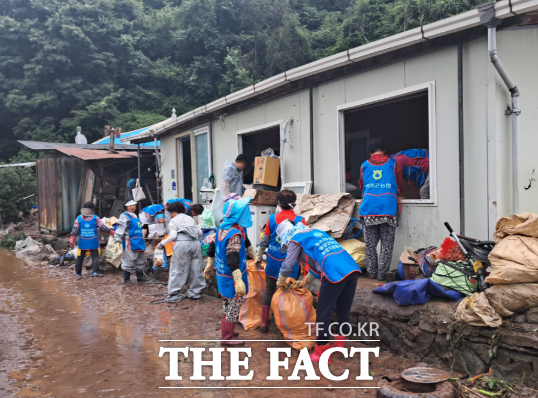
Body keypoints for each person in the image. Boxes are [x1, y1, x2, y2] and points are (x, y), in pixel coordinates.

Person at [276, 221, 361, 363]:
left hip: (334, 272)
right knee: (343, 310)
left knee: (323, 312)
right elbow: (318, 262)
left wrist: (280, 281)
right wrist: (304, 281)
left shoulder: (295, 239)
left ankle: (321, 353)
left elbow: (288, 264)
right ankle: (339, 347)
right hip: (351, 268)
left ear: (286, 237)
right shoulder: (314, 233)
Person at [255, 190, 307, 333]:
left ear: (278, 203)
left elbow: (264, 241)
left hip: (272, 262)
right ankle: (285, 325)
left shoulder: (272, 218)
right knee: (288, 293)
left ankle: (264, 323)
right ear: (294, 204)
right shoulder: (300, 221)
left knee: (269, 290)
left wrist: (258, 256)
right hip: (291, 266)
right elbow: (304, 245)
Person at [203, 197, 252, 346]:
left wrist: (210, 264)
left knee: (227, 302)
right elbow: (232, 258)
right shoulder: (234, 234)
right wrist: (238, 279)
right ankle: (227, 336)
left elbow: (212, 247)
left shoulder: (223, 226)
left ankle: (228, 330)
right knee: (234, 304)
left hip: (222, 274)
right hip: (232, 275)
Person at [358, 137, 403, 281]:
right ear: (384, 149)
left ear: (370, 151)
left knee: (370, 244)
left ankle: (371, 272)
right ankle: (382, 274)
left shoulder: (364, 165)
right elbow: (399, 183)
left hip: (369, 208)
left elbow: (361, 185)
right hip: (388, 209)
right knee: (386, 244)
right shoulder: (393, 163)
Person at [157, 201, 205, 303]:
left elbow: (173, 235)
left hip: (182, 244)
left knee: (178, 269)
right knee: (196, 269)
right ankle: (195, 293)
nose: (170, 215)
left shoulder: (174, 221)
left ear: (174, 212)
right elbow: (200, 232)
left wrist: (162, 244)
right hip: (196, 244)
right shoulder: (191, 219)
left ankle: (174, 295)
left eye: (171, 213)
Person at [70, 201, 114, 277]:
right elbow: (103, 227)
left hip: (82, 241)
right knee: (95, 257)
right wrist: (112, 232)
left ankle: (78, 274)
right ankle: (95, 272)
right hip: (93, 241)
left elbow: (75, 229)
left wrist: (72, 239)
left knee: (80, 257)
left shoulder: (79, 218)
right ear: (92, 210)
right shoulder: (95, 218)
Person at [114, 200, 149, 286]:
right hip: (129, 241)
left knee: (140, 259)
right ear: (126, 207)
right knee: (128, 259)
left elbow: (142, 227)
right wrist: (118, 241)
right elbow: (119, 230)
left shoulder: (137, 217)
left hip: (139, 241)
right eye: (130, 206)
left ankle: (139, 277)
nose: (132, 207)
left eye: (134, 205)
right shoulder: (124, 217)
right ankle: (127, 279)